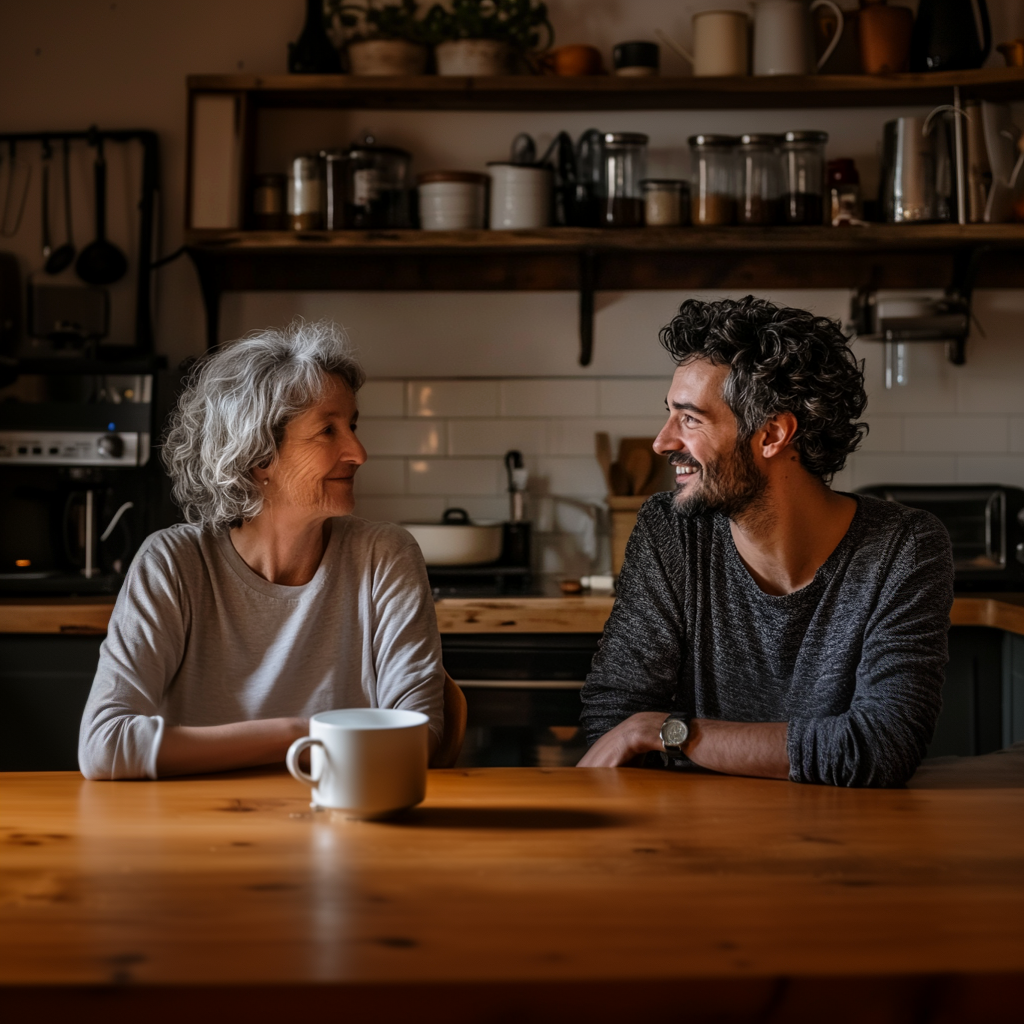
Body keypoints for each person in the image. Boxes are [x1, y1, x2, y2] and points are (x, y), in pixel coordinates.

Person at [578, 297, 954, 787]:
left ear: (772, 434)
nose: (662, 441)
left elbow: (880, 747)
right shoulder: (670, 531)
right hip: (687, 840)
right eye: (670, 415)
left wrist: (667, 732)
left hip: (849, 841)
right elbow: (612, 724)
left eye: (689, 419)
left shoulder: (903, 548)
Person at [79, 320, 444, 780]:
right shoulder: (173, 564)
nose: (358, 452)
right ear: (258, 457)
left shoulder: (384, 556)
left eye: (351, 425)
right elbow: (104, 746)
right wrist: (297, 735)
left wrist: (305, 738)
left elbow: (420, 737)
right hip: (200, 834)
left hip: (344, 827)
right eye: (327, 431)